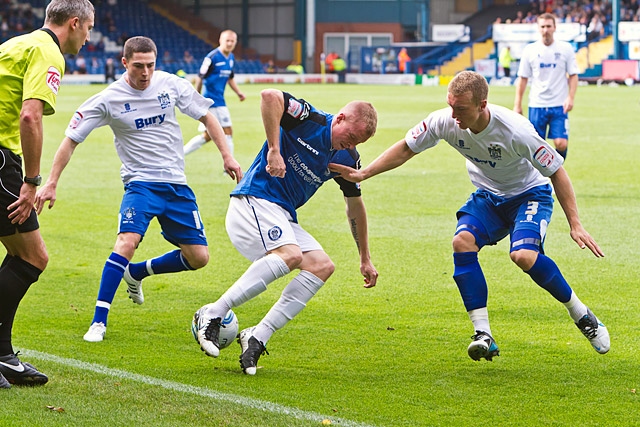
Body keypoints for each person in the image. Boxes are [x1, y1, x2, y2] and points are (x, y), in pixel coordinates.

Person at [330, 71, 609, 362]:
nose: (453, 115)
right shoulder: (445, 120)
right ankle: (483, 334)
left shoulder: (517, 131)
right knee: (462, 242)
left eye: (461, 109)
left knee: (523, 256)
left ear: (482, 105)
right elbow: (406, 148)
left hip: (529, 194)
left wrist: (575, 224)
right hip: (487, 195)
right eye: (451, 106)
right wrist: (365, 173)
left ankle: (581, 315)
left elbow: (557, 172)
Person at [35, 36, 243, 343]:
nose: (145, 72)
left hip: (175, 184)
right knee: (127, 241)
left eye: (150, 65)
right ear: (124, 63)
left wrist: (227, 156)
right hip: (140, 184)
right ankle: (98, 321)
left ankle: (137, 273)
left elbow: (206, 116)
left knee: (199, 257)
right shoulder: (108, 99)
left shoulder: (170, 85)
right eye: (138, 66)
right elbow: (71, 139)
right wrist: (51, 181)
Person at [192, 89, 379, 375]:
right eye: (351, 137)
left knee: (322, 266)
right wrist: (274, 149)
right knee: (290, 254)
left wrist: (364, 257)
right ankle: (213, 313)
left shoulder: (348, 158)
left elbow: (355, 206)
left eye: (358, 142)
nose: (351, 145)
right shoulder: (309, 119)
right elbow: (269, 96)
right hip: (254, 199)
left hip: (281, 215)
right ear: (340, 118)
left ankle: (257, 336)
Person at [0, 0, 94, 389]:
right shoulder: (48, 52)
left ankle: (2, 355)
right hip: (1, 158)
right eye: (87, 29)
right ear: (74, 23)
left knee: (25, 253)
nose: (88, 38)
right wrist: (32, 180)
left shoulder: (15, 45)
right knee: (32, 256)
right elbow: (29, 116)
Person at [514, 13, 579, 160]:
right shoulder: (530, 50)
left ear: (555, 28)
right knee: (536, 146)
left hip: (559, 105)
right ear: (538, 28)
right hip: (537, 105)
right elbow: (523, 78)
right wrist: (517, 104)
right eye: (542, 26)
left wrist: (571, 97)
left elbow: (573, 75)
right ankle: (539, 176)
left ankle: (557, 171)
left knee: (561, 143)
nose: (545, 30)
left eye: (549, 26)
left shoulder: (565, 48)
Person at [183, 30, 245, 157]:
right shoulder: (212, 57)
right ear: (220, 41)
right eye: (227, 40)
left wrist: (239, 93)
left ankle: (180, 155)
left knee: (208, 136)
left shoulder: (231, 58)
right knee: (227, 131)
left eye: (232, 41)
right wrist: (197, 97)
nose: (229, 43)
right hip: (212, 101)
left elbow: (230, 77)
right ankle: (229, 169)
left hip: (219, 100)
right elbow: (200, 77)